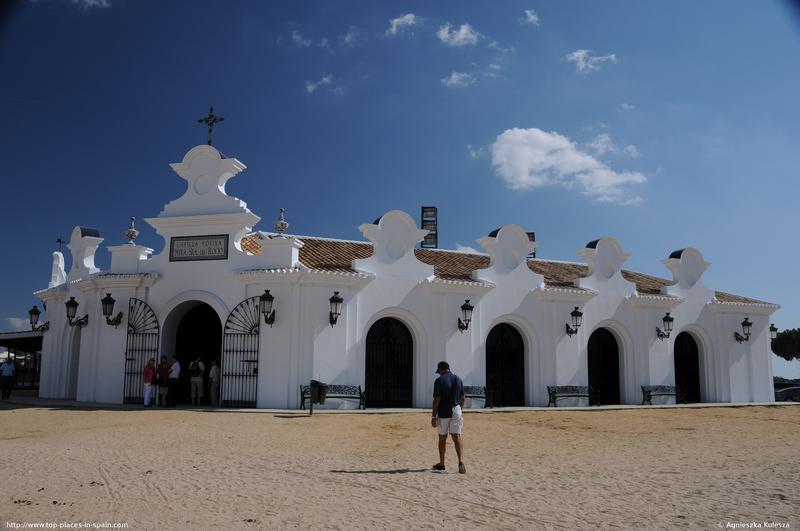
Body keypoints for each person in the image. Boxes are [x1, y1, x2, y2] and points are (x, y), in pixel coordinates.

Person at [431, 361, 466, 474]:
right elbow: (462, 398)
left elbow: (437, 399)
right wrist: (460, 410)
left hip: (443, 411)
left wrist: (433, 415)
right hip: (456, 409)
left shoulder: (439, 380)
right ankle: (461, 462)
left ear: (441, 369)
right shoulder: (458, 379)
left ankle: (442, 463)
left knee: (442, 438)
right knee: (457, 437)